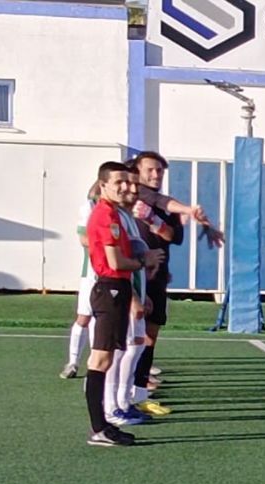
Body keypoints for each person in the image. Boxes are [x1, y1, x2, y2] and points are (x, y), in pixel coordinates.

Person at [128, 151, 217, 416]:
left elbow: (173, 236)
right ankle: (120, 393)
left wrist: (157, 222)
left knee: (150, 335)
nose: (156, 175)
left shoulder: (163, 208)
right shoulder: (139, 194)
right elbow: (160, 200)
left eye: (160, 171)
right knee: (131, 336)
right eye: (151, 170)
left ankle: (140, 391)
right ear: (138, 171)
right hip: (136, 275)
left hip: (158, 275)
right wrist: (188, 209)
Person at [82, 162, 163, 447]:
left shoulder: (114, 214)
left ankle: (104, 422)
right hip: (110, 289)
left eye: (129, 183)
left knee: (110, 356)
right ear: (103, 184)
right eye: (119, 182)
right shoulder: (106, 216)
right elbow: (115, 262)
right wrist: (145, 260)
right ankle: (100, 425)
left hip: (118, 288)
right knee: (102, 359)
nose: (126, 187)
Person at [61, 181, 101, 379]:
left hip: (114, 273)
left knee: (102, 318)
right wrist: (107, 242)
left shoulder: (122, 210)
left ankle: (95, 363)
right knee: (84, 317)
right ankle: (73, 362)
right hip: (92, 272)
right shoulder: (90, 207)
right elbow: (84, 239)